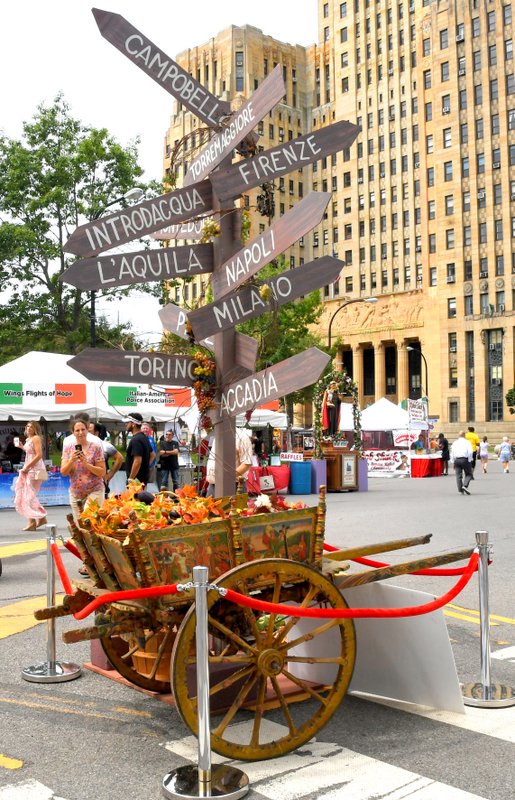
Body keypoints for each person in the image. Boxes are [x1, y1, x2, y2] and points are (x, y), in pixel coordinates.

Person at [60, 418, 106, 522]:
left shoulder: (95, 447)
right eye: (77, 430)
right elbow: (64, 472)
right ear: (73, 432)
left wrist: (86, 463)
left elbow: (102, 472)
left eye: (83, 429)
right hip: (76, 493)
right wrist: (71, 460)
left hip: (94, 490)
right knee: (79, 525)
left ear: (87, 430)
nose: (81, 432)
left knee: (89, 519)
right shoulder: (68, 448)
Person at [14, 420, 47, 531]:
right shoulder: (29, 439)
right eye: (28, 426)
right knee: (29, 494)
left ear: (35, 429)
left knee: (28, 495)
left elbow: (38, 455)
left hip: (36, 469)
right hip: (32, 469)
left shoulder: (36, 438)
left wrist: (27, 467)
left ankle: (34, 521)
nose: (29, 429)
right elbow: (31, 453)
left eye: (31, 427)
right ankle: (39, 518)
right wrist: (22, 447)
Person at [206, 427, 253, 496]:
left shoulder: (242, 437)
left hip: (232, 486)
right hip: (213, 486)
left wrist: (226, 477)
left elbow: (246, 463)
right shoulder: (219, 435)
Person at [89, 422, 123, 497]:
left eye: (89, 431)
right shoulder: (81, 446)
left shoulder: (105, 445)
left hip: (100, 483)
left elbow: (119, 458)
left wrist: (109, 475)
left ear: (97, 433)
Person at [124, 412, 152, 485]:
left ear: (133, 424)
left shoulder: (136, 440)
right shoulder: (144, 437)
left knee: (136, 496)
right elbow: (153, 454)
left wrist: (130, 479)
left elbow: (137, 461)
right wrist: (145, 467)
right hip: (142, 478)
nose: (125, 424)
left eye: (127, 422)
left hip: (136, 481)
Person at [450, 431, 473, 495]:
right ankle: (465, 485)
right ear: (464, 435)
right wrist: (470, 459)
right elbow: (470, 452)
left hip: (457, 459)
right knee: (469, 474)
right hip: (465, 459)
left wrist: (453, 461)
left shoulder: (455, 443)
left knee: (458, 475)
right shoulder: (467, 442)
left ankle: (460, 489)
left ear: (458, 435)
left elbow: (452, 453)